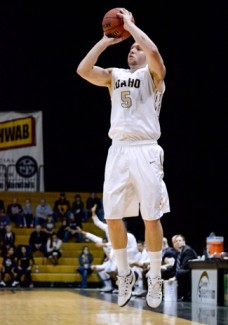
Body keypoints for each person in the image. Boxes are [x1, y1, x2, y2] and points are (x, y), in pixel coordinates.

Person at [77, 8, 170, 308]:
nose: (133, 50)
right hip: (118, 149)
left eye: (135, 48)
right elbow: (83, 69)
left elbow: (153, 49)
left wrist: (130, 25)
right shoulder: (114, 77)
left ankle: (154, 276)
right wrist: (106, 40)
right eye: (130, 48)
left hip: (146, 148)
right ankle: (124, 274)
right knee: (113, 215)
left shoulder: (154, 75)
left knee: (150, 217)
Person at [168, 234, 198, 301]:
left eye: (180, 240)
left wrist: (175, 277)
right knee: (166, 271)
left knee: (180, 272)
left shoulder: (187, 250)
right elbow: (175, 267)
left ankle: (183, 295)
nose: (178, 242)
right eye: (176, 241)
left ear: (184, 242)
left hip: (191, 272)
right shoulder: (179, 252)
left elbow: (184, 265)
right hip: (182, 271)